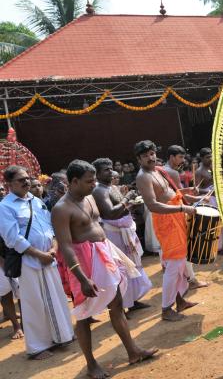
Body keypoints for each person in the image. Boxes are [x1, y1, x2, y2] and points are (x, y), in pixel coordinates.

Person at [52, 160, 157, 379]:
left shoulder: (89, 197)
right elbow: (66, 247)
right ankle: (91, 365)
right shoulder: (61, 209)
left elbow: (96, 224)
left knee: (116, 304)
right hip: (83, 263)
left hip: (103, 254)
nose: (94, 184)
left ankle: (133, 351)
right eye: (89, 181)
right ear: (74, 181)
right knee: (83, 315)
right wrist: (81, 278)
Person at [0, 165, 74, 359]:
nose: (26, 182)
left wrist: (53, 248)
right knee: (34, 303)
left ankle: (62, 336)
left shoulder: (36, 201)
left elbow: (50, 226)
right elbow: (12, 238)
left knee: (56, 296)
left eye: (27, 178)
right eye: (21, 180)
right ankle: (37, 348)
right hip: (28, 261)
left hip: (49, 257)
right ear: (9, 184)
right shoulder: (5, 207)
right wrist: (38, 254)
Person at [134, 141, 201, 321]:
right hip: (167, 221)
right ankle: (166, 308)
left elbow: (170, 192)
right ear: (139, 158)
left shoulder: (158, 170)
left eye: (152, 153)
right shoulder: (143, 176)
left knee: (178, 264)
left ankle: (179, 301)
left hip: (176, 217)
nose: (151, 157)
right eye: (146, 155)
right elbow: (153, 204)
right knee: (173, 266)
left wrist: (187, 191)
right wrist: (182, 209)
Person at [92, 158, 152, 312]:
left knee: (131, 266)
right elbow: (111, 213)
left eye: (111, 168)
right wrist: (127, 198)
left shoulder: (110, 186)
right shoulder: (99, 190)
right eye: (106, 169)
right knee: (121, 270)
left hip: (125, 231)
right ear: (97, 174)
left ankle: (132, 301)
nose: (111, 172)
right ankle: (121, 308)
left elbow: (121, 208)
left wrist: (130, 202)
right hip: (114, 234)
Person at [163, 145, 209, 283]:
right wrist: (200, 198)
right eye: (180, 157)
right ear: (172, 157)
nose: (183, 160)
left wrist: (189, 190)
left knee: (178, 249)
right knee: (184, 248)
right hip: (176, 212)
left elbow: (177, 193)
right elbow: (181, 197)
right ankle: (190, 279)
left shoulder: (164, 170)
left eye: (183, 157)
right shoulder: (172, 172)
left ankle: (187, 278)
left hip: (168, 212)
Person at [195, 147, 223, 254]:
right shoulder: (199, 171)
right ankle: (217, 248)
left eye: (211, 156)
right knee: (213, 224)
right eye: (207, 157)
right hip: (208, 200)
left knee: (222, 222)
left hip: (218, 198)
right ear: (201, 158)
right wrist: (208, 191)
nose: (210, 158)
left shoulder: (213, 167)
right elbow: (196, 190)